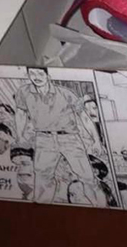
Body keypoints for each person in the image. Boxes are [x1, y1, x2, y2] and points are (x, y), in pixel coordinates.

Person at [14, 67, 105, 206]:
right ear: (28, 75)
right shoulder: (24, 92)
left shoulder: (65, 93)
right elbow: (20, 114)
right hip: (43, 139)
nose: (36, 77)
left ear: (48, 75)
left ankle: (100, 206)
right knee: (42, 177)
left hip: (69, 138)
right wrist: (19, 135)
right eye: (32, 73)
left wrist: (96, 141)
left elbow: (84, 118)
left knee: (87, 176)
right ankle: (42, 209)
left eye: (40, 73)